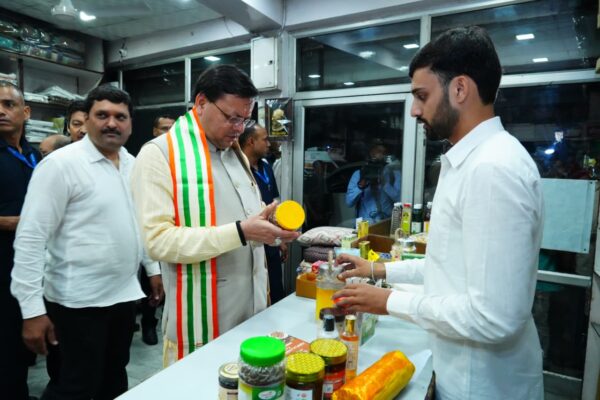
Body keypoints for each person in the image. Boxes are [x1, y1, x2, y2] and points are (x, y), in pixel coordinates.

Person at [333, 26, 544, 399]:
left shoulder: (492, 169)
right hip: (457, 370)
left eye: (421, 95)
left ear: (459, 89)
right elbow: (449, 265)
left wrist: (388, 301)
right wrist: (377, 270)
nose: (414, 110)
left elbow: (495, 317)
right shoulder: (467, 161)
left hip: (482, 385)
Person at [131, 64, 299, 366]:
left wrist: (268, 225)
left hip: (252, 308)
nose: (239, 129)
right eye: (231, 118)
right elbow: (158, 242)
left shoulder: (234, 154)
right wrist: (242, 232)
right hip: (204, 316)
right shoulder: (159, 154)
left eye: (244, 120)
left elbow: (241, 215)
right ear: (201, 102)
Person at [11, 85, 164, 400]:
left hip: (123, 297)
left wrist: (152, 269)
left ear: (130, 124)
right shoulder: (60, 165)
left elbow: (138, 223)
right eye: (102, 115)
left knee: (114, 378)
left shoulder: (133, 164)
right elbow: (30, 238)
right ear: (87, 120)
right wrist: (31, 310)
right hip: (76, 303)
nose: (112, 123)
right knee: (74, 386)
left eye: (120, 117)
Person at [0, 80, 41, 400]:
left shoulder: (35, 155)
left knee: (25, 341)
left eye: (8, 104)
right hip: (2, 264)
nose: (1, 111)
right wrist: (11, 222)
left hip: (35, 264)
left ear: (25, 112)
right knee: (6, 342)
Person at [239, 123, 288, 304]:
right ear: (251, 141)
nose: (269, 144)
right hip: (250, 239)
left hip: (270, 236)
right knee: (256, 291)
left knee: (275, 285)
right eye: (265, 139)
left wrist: (280, 237)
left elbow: (274, 202)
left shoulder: (266, 166)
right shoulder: (238, 170)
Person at [139, 114, 175, 346]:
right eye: (163, 128)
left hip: (174, 234)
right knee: (150, 287)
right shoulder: (147, 157)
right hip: (152, 236)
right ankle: (148, 323)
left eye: (172, 128)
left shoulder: (179, 159)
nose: (168, 133)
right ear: (154, 131)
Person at [345, 143, 401, 225]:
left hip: (387, 222)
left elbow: (400, 200)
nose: (380, 155)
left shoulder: (393, 174)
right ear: (371, 153)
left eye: (384, 152)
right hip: (365, 223)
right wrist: (361, 185)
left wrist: (385, 184)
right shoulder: (359, 175)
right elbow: (349, 202)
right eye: (378, 151)